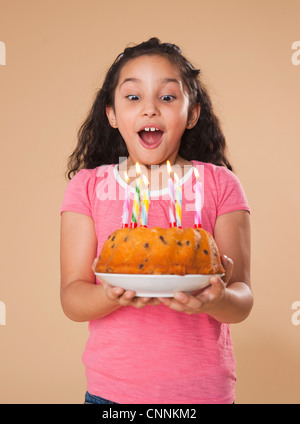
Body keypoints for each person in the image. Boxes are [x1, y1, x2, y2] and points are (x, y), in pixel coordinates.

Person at [60, 37, 252, 404]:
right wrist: (109, 294)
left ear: (192, 113)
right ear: (112, 114)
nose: (150, 110)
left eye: (167, 97)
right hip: (111, 394)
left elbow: (242, 297)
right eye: (133, 97)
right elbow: (72, 296)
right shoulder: (87, 188)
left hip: (204, 393)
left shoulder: (219, 185)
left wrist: (216, 298)